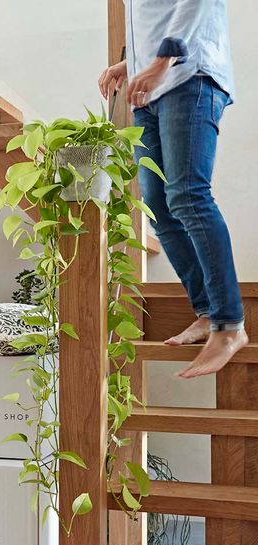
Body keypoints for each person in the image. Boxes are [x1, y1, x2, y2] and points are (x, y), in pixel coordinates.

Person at [98, 0, 247, 378]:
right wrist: (133, 62)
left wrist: (161, 61)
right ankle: (208, 311)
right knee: (161, 209)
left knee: (188, 195)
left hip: (189, 77)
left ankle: (229, 325)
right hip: (151, 90)